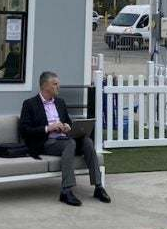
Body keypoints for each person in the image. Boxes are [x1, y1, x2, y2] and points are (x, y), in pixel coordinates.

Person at [19, 70, 110, 207]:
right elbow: (24, 130)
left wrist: (68, 126)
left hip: (64, 139)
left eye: (58, 84)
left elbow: (67, 121)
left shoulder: (60, 102)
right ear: (45, 86)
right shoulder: (30, 104)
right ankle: (66, 191)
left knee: (87, 141)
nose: (58, 87)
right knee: (70, 144)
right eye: (55, 84)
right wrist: (48, 128)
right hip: (45, 142)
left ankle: (98, 187)